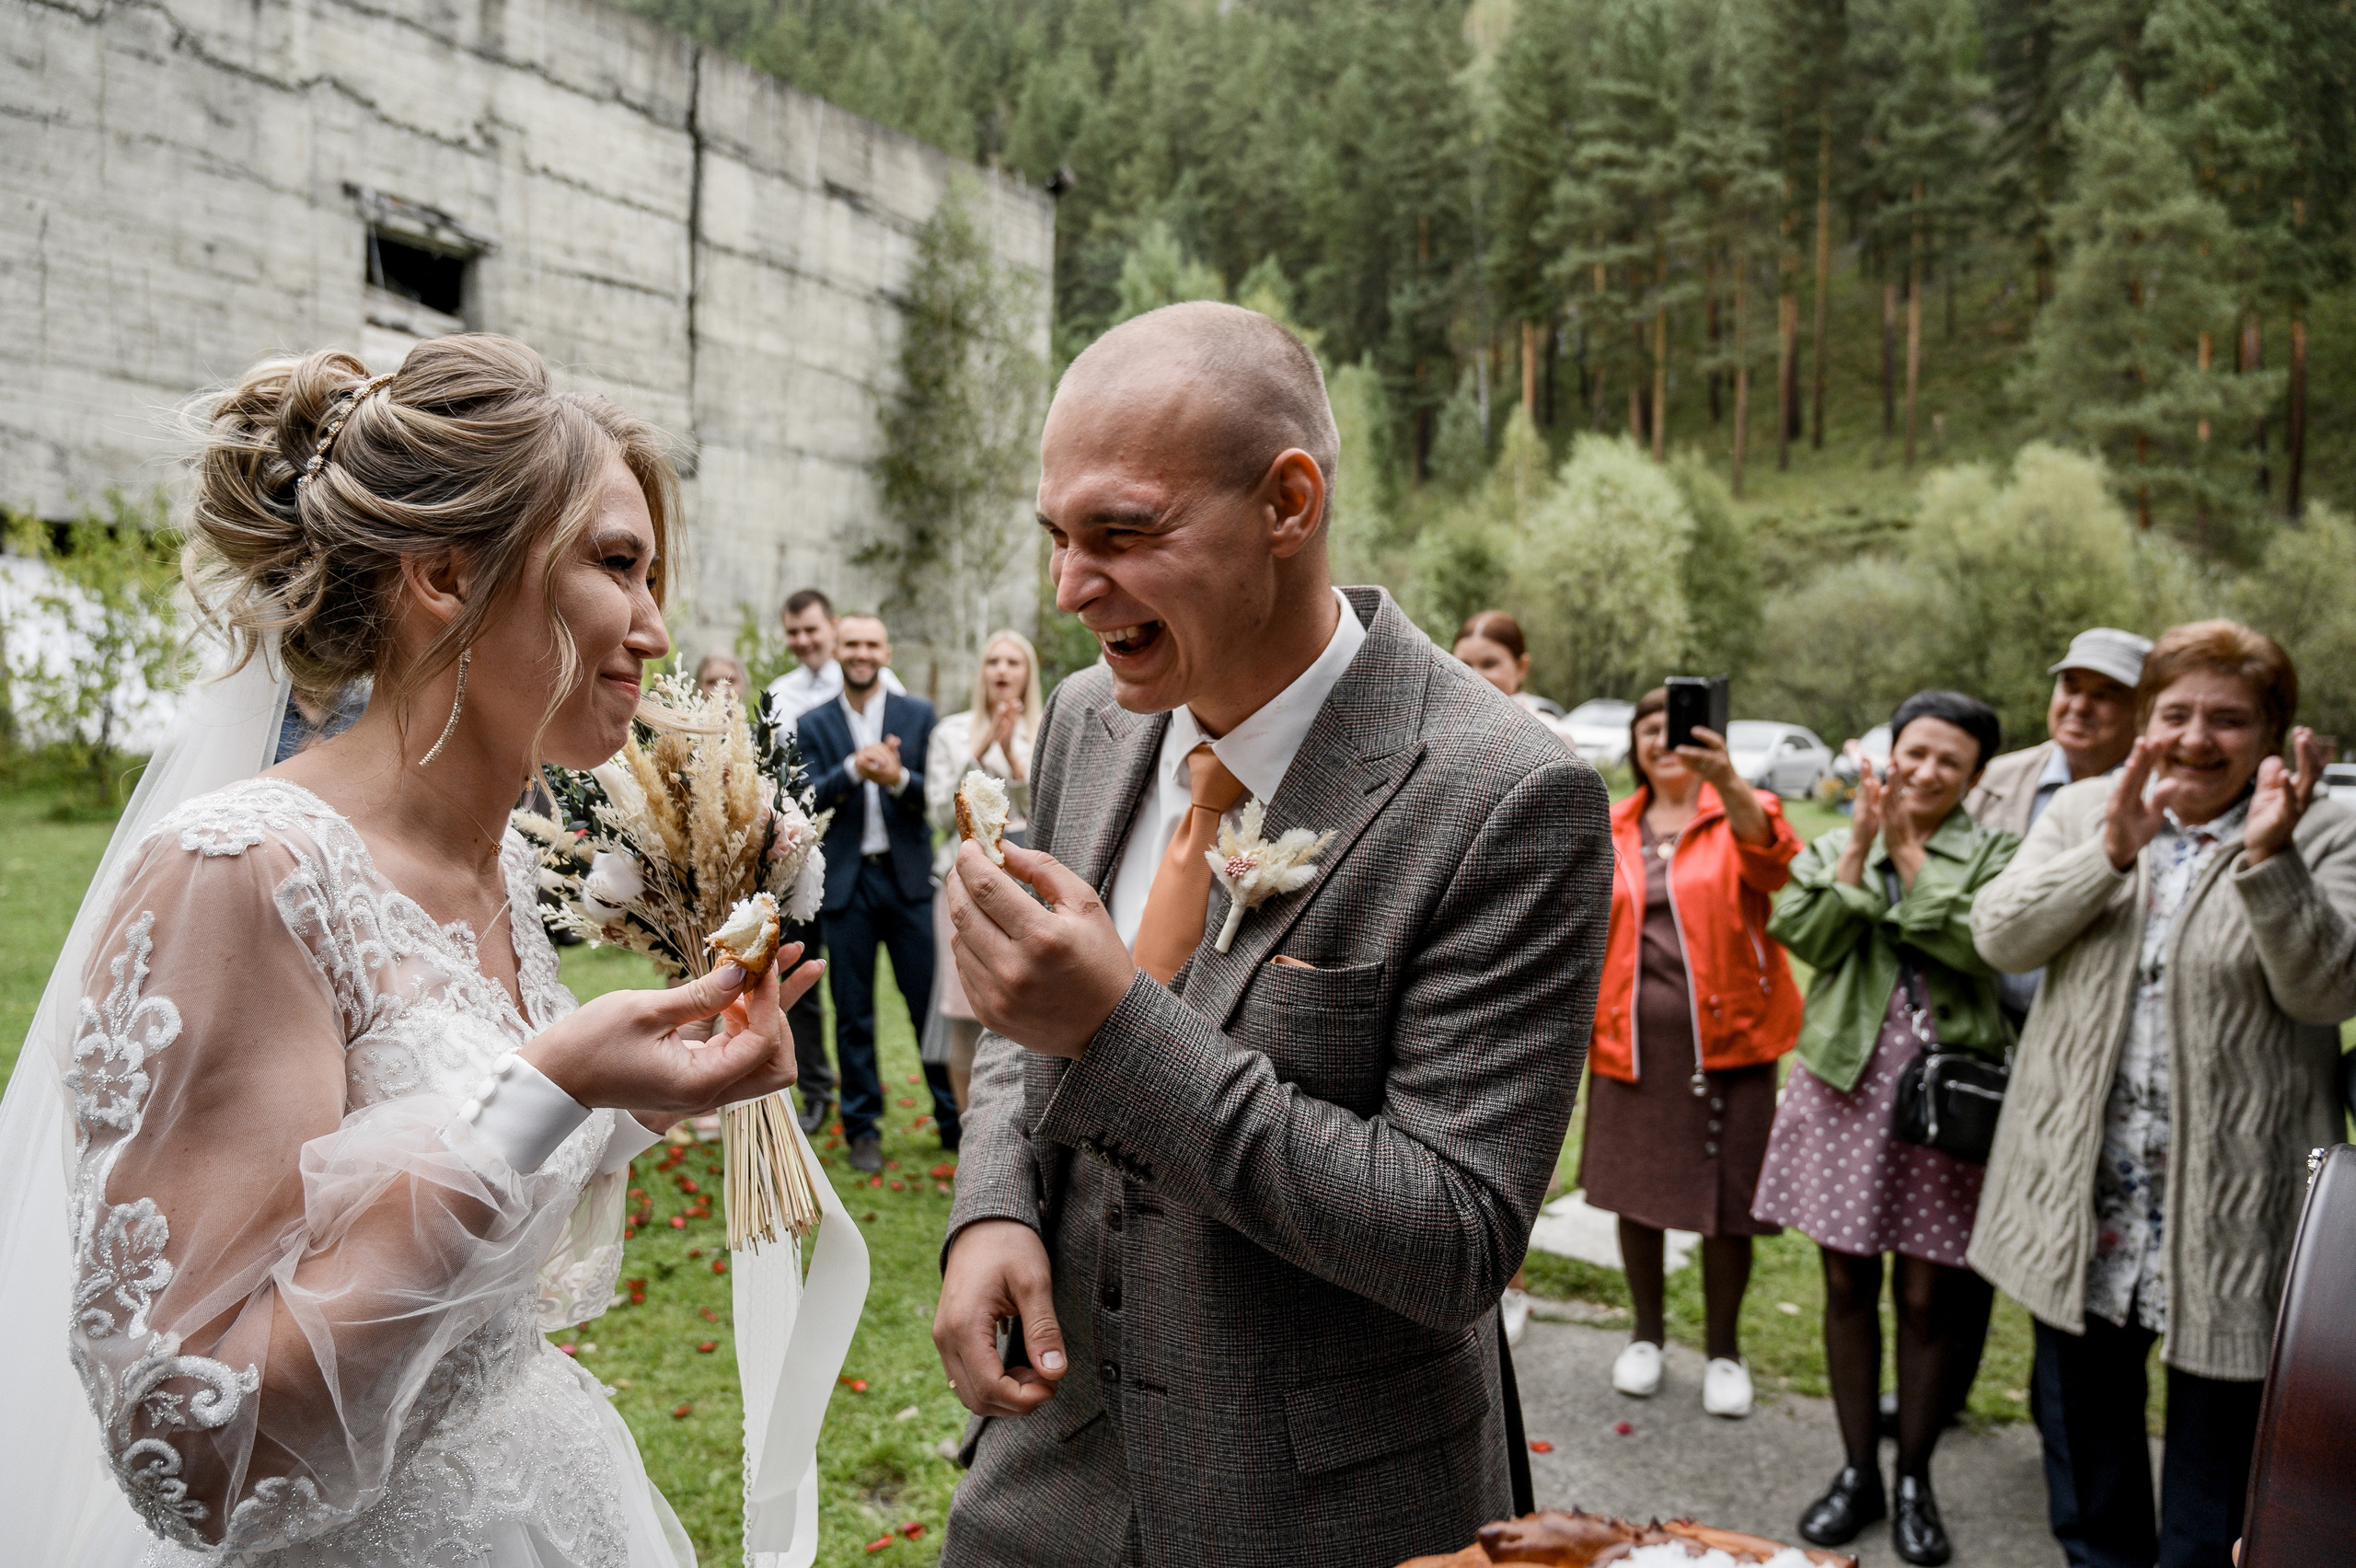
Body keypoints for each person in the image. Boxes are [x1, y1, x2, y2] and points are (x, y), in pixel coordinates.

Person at [6, 337, 815, 1567]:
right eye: (616, 565)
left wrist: (633, 1099)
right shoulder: (245, 873)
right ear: (443, 574)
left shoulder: (497, 874)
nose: (655, 629)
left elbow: (450, 1206)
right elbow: (193, 1454)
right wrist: (549, 1090)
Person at [930, 301, 1611, 1566]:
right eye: (1058, 537)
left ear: (1288, 504)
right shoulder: (1086, 719)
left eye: (1121, 534)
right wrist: (991, 1209)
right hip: (1046, 1471)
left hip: (1314, 1504)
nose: (1070, 589)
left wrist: (1116, 1029)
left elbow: (1453, 1235)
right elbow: (1028, 1029)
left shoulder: (1508, 796)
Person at [1969, 621, 2356, 1568]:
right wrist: (2106, 852)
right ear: (2145, 721)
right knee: (2090, 1488)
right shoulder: (2085, 807)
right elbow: (2000, 936)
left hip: (2235, 1218)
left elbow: (2330, 992)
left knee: (2212, 1514)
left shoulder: (2326, 828)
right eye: (2175, 713)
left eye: (2229, 719)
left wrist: (2272, 860)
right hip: (2080, 1209)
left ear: (2272, 733)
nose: (2196, 739)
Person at [1750, 690, 2018, 1566]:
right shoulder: (1841, 839)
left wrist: (1908, 855)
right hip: (1846, 1083)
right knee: (1846, 1283)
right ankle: (1858, 1470)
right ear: (1889, 755)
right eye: (1917, 753)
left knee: (1930, 1295)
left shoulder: (1999, 854)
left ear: (1976, 776)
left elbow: (1980, 947)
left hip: (1945, 1098)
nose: (1929, 772)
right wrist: (1860, 849)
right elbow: (1806, 934)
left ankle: (1916, 1478)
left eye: (1951, 761)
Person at [1581, 687, 1804, 1420]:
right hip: (1632, 1042)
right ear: (1635, 746)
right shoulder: (1612, 823)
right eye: (1648, 729)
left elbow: (1774, 867)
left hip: (1731, 1044)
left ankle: (1724, 1351)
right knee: (1636, 1194)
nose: (1663, 740)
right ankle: (1645, 1335)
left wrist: (1727, 778)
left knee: (1728, 1206)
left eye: (1674, 727)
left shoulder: (1740, 808)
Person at [796, 612, 958, 1171]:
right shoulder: (813, 723)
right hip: (846, 884)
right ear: (837, 651)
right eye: (852, 644)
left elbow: (938, 797)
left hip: (907, 880)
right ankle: (862, 1128)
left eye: (871, 644)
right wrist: (851, 770)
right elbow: (806, 799)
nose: (861, 653)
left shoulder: (918, 715)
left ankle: (952, 1118)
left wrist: (897, 779)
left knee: (929, 1006)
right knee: (853, 1011)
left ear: (886, 652)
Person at [1962, 627, 2150, 1028]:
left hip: (2093, 1032)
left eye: (2105, 695)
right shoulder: (1995, 780)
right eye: (2070, 686)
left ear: (2144, 710)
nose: (2079, 706)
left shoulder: (2159, 802)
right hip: (1987, 1028)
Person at [923, 629, 1043, 1111]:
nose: (1002, 670)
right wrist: (982, 747)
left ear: (1028, 673)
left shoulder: (1047, 731)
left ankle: (1018, 1123)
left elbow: (1047, 813)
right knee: (964, 1010)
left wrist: (1012, 756)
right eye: (994, 661)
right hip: (961, 884)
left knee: (1026, 1008)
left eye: (1013, 662)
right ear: (981, 672)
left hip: (1026, 886)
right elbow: (938, 815)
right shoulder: (950, 732)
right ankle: (968, 1130)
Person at [763, 586, 906, 721]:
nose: (802, 641)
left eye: (811, 630)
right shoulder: (779, 693)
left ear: (834, 626)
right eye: (793, 632)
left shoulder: (879, 681)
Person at [1452, 609, 1571, 743]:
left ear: (1521, 667)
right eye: (1464, 665)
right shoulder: (1445, 728)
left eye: (1489, 664)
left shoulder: (1551, 738)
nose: (1474, 676)